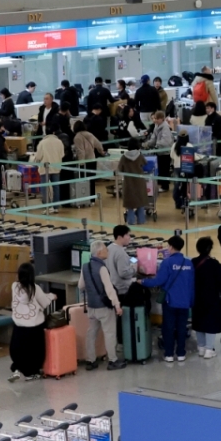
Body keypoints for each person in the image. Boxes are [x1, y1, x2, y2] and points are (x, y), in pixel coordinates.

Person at [139, 235, 194, 363]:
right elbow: (192, 284)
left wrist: (142, 281)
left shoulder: (167, 262)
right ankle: (181, 353)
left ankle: (169, 354)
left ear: (171, 247)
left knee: (168, 328)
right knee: (181, 328)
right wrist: (191, 301)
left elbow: (159, 281)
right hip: (185, 302)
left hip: (170, 301)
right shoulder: (189, 263)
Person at [79, 241, 125, 370]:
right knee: (110, 333)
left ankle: (91, 360)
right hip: (104, 308)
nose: (107, 251)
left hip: (92, 307)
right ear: (99, 253)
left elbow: (81, 286)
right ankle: (113, 360)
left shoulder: (85, 267)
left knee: (91, 333)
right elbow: (109, 289)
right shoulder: (102, 268)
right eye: (105, 249)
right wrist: (117, 305)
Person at [8, 262, 55, 381]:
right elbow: (44, 303)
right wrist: (51, 296)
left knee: (19, 349)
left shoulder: (14, 286)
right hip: (34, 327)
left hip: (18, 325)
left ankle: (18, 368)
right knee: (35, 352)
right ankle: (31, 373)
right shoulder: (35, 289)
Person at [116, 138, 149, 225]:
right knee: (140, 203)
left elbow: (120, 169)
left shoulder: (124, 157)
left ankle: (131, 221)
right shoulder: (140, 155)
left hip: (128, 183)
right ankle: (141, 220)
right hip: (139, 182)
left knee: (129, 204)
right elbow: (145, 164)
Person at [105, 225, 138, 298]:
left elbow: (126, 258)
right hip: (122, 290)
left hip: (112, 286)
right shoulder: (120, 252)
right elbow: (124, 273)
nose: (129, 237)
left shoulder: (109, 248)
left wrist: (135, 259)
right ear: (120, 237)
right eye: (127, 235)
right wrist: (135, 267)